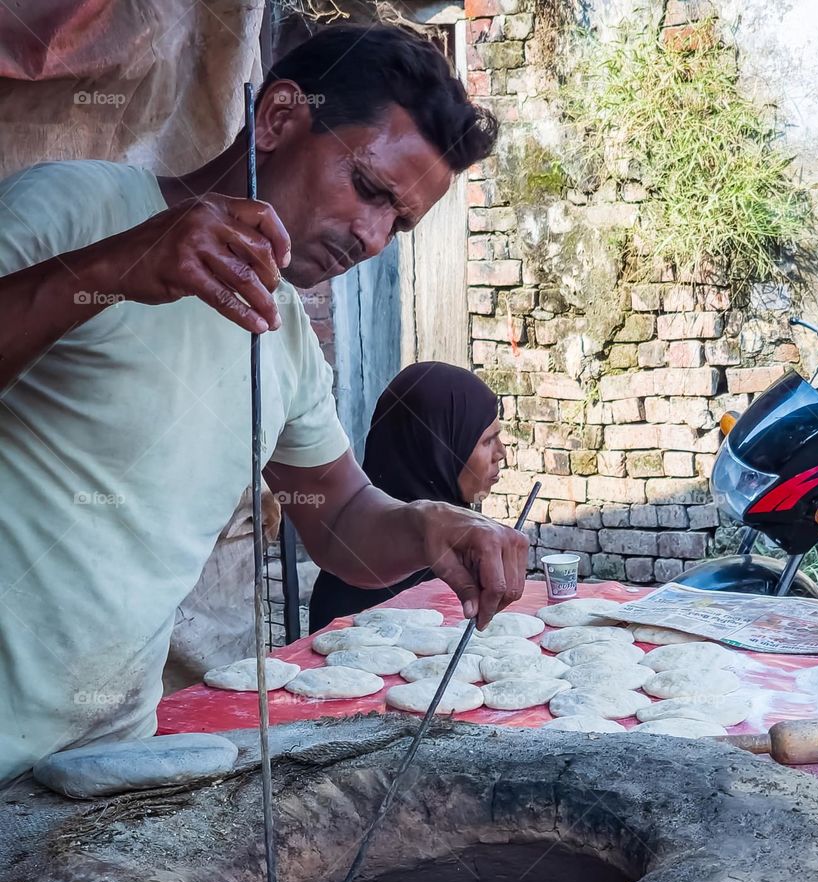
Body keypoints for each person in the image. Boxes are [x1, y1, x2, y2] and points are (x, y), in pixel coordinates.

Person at [0, 24, 527, 786]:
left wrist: (429, 526)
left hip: (108, 766)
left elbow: (341, 520)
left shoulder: (282, 337)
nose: (373, 237)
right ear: (279, 117)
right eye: (369, 189)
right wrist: (116, 266)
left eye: (400, 223)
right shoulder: (76, 211)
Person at [309, 362, 507, 631]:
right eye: (487, 441)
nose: (501, 453)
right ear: (437, 448)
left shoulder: (470, 555)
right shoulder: (353, 585)